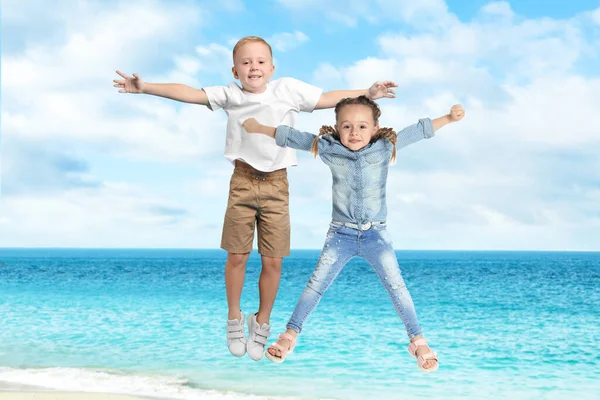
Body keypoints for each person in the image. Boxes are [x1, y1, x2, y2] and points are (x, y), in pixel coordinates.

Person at [113, 36, 398, 361]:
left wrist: (368, 93)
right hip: (243, 182)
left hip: (278, 185)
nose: (254, 67)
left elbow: (327, 98)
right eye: (246, 62)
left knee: (273, 260)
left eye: (261, 61)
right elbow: (189, 93)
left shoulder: (287, 90)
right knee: (237, 256)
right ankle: (234, 318)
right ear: (235, 70)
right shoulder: (230, 95)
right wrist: (145, 86)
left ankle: (261, 322)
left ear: (272, 67)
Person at [242, 95, 465, 371]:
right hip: (341, 236)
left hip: (376, 236)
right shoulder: (327, 147)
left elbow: (417, 131)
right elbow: (293, 137)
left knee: (397, 287)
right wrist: (259, 127)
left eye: (362, 126)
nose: (354, 132)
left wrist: (448, 118)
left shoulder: (385, 146)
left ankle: (418, 341)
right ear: (336, 128)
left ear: (374, 128)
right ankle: (289, 335)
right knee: (316, 285)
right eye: (346, 126)